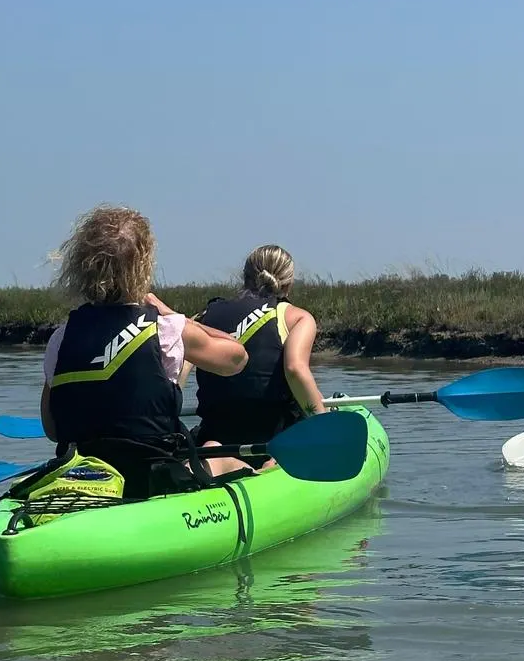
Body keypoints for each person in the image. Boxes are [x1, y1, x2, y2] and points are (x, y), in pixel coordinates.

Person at [40, 206, 248, 497]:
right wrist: (175, 315)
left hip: (85, 477)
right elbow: (237, 359)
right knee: (214, 451)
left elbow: (52, 429)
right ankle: (266, 475)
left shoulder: (60, 339)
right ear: (142, 266)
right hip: (153, 482)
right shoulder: (166, 329)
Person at [192, 244, 325, 476]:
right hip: (272, 441)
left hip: (215, 436)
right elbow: (295, 369)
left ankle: (213, 458)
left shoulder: (203, 317)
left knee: (212, 442)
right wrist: (324, 422)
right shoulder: (297, 317)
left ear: (244, 278)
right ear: (289, 282)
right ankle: (271, 465)